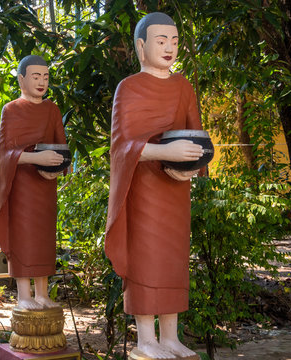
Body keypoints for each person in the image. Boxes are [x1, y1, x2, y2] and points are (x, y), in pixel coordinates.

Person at [105, 12, 204, 359]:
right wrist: (165, 151)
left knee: (173, 260)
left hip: (176, 189)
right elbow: (121, 146)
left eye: (174, 41)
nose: (169, 48)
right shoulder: (128, 88)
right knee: (146, 259)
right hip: (142, 188)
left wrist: (191, 166)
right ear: (141, 46)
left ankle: (171, 335)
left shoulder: (183, 87)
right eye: (161, 41)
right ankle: (147, 338)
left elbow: (198, 137)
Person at [0, 55, 68, 310]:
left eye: (46, 77)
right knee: (24, 237)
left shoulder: (52, 110)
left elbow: (62, 147)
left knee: (44, 238)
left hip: (45, 185)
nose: (41, 82)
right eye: (36, 77)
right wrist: (36, 157)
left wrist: (58, 167)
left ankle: (43, 293)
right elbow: (5, 155)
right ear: (21, 79)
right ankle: (24, 296)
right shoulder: (11, 109)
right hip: (22, 186)